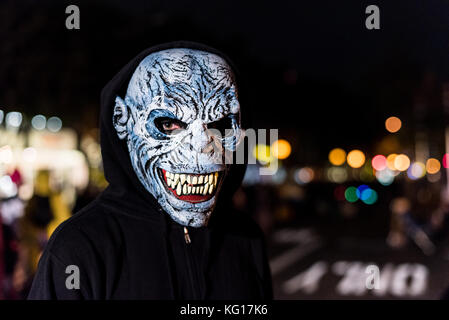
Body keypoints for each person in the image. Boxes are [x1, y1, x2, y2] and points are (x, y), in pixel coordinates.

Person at [27, 41, 273, 299]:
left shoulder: (245, 238)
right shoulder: (79, 248)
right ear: (122, 119)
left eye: (220, 125)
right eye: (168, 123)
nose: (202, 148)